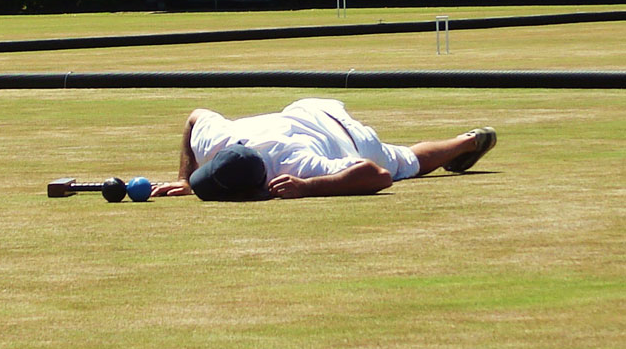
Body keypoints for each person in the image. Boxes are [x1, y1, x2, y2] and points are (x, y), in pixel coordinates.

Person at [150, 98, 496, 201]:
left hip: (349, 138)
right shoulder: (219, 141)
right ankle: (468, 141)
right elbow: (196, 117)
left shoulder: (295, 165)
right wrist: (185, 179)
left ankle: (469, 141)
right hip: (306, 109)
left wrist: (309, 187)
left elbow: (378, 175)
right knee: (404, 157)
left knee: (406, 161)